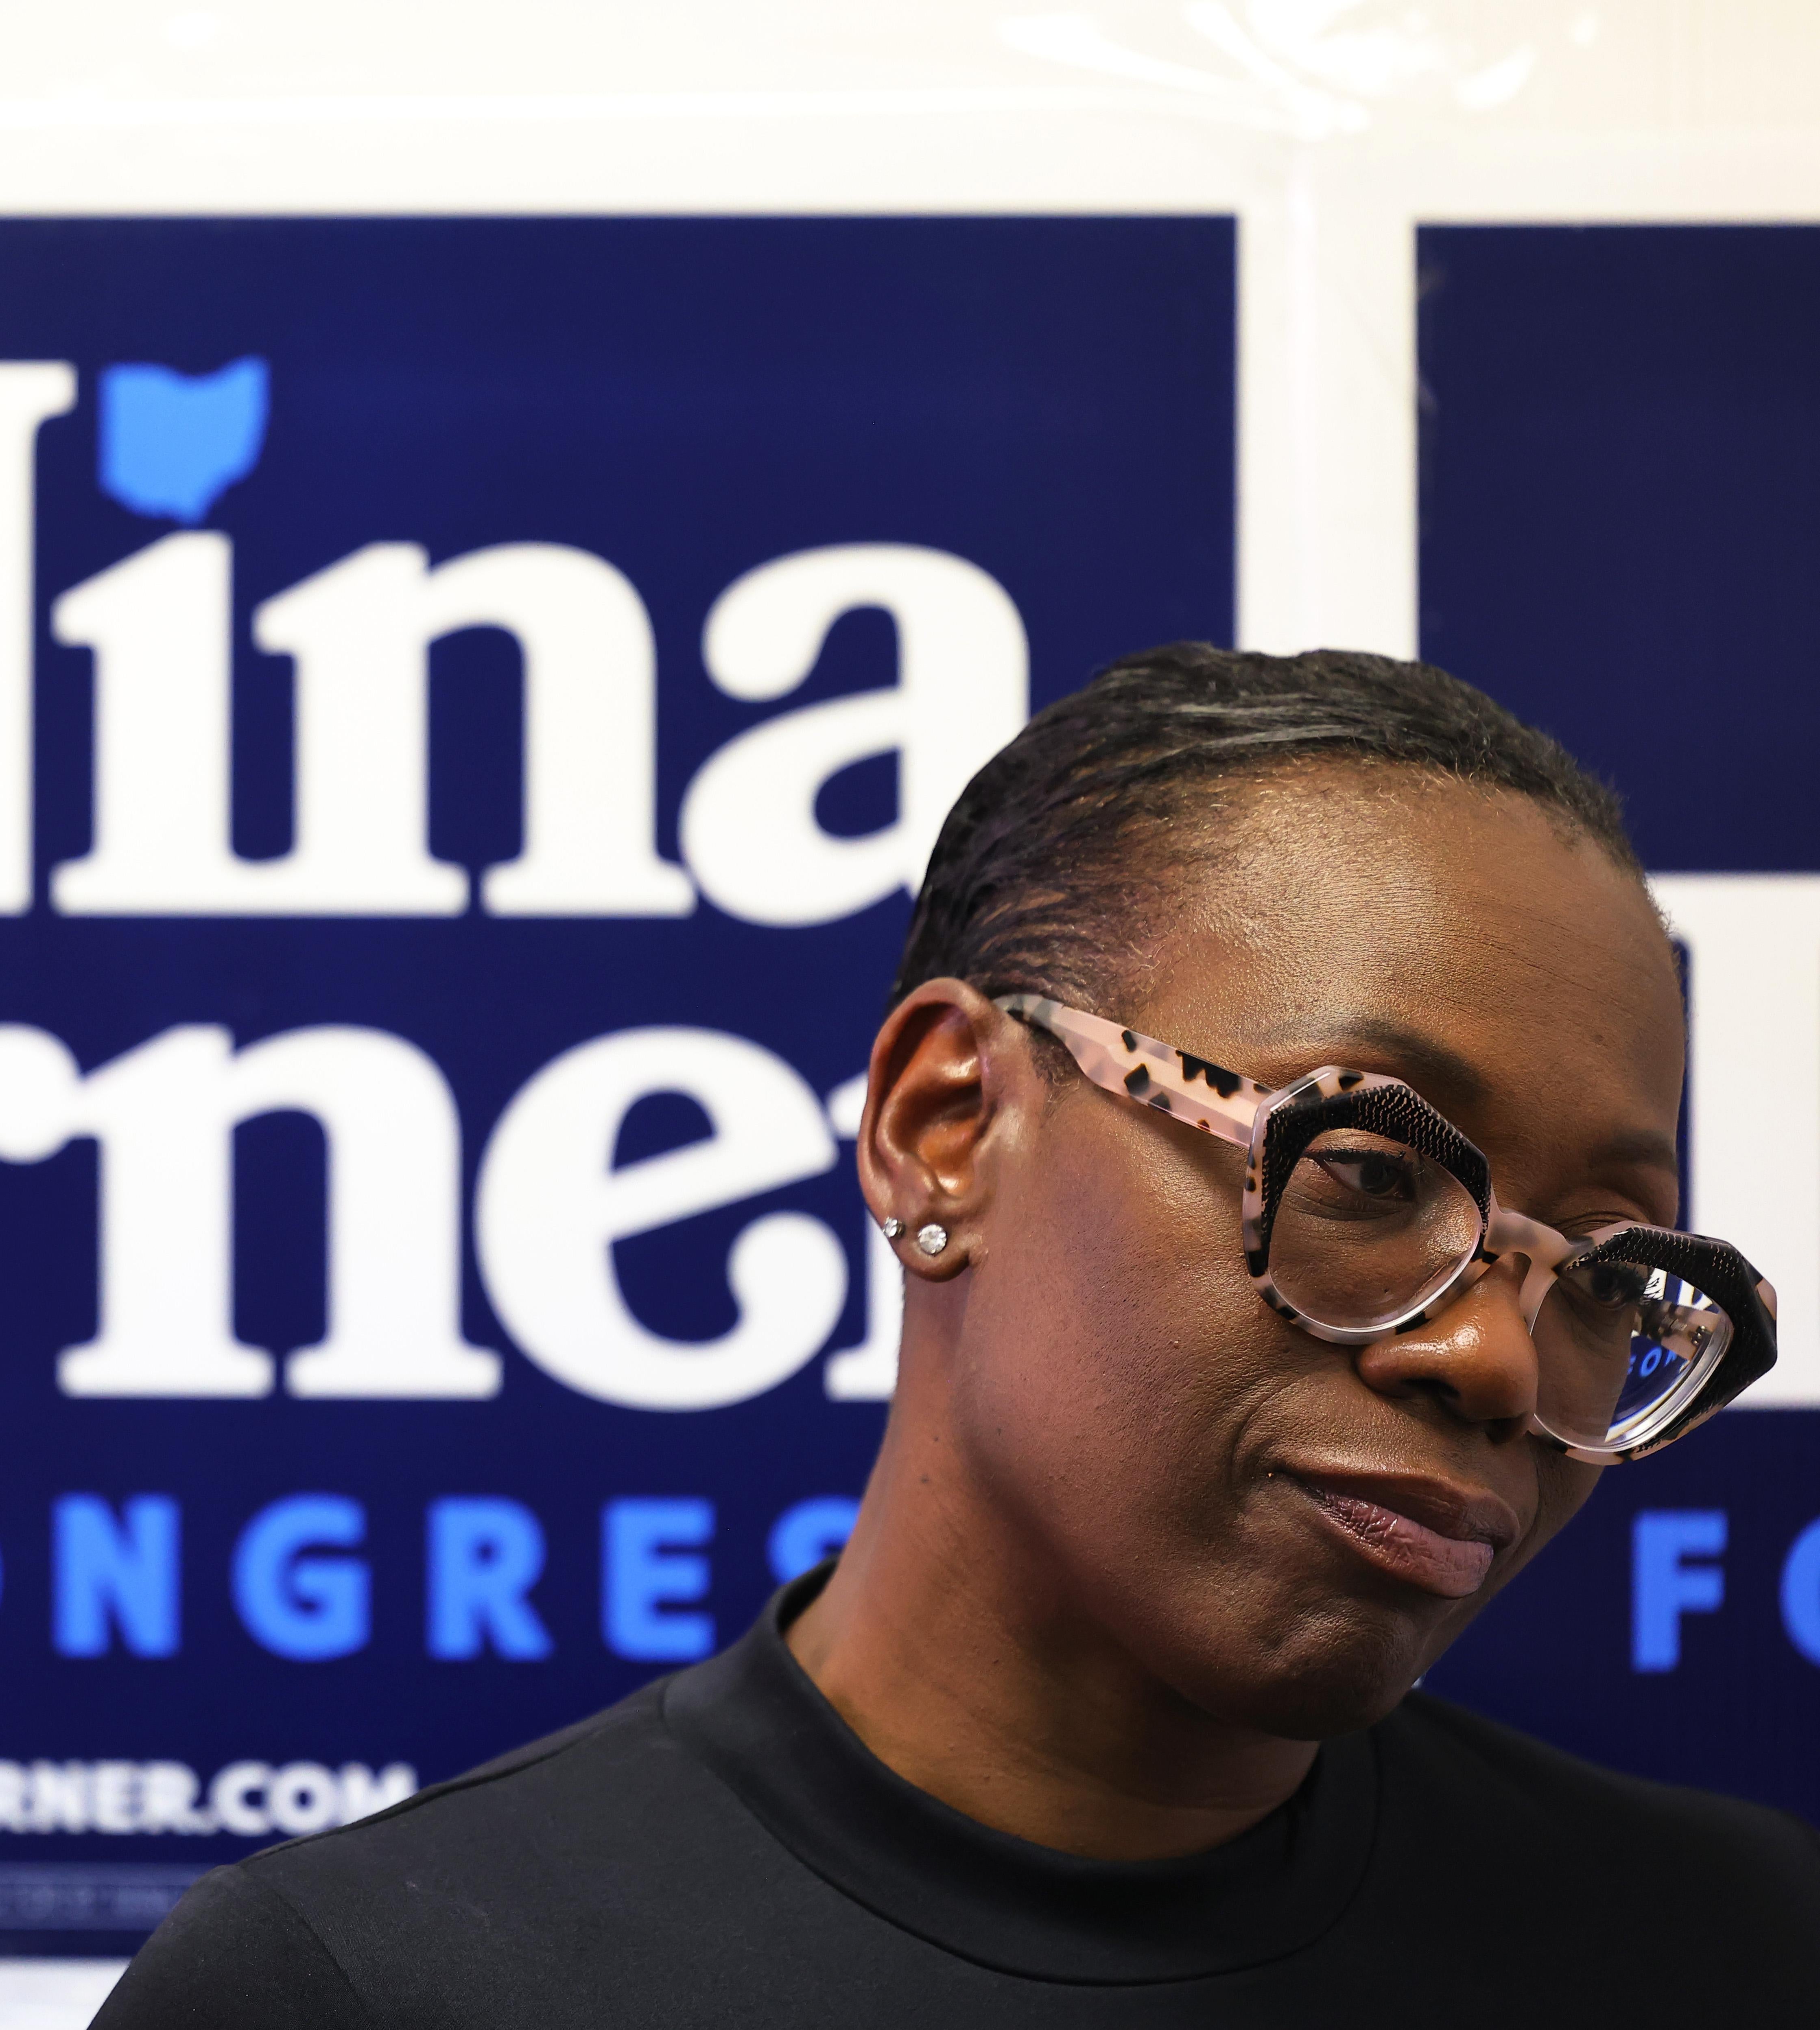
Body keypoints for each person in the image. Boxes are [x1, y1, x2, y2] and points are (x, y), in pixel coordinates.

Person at [92, 645, 1820, 2027]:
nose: (1500, 1366)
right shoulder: (365, 1990)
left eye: (1599, 1267)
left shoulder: (1735, 1954)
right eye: (1364, 1166)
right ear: (944, 1126)